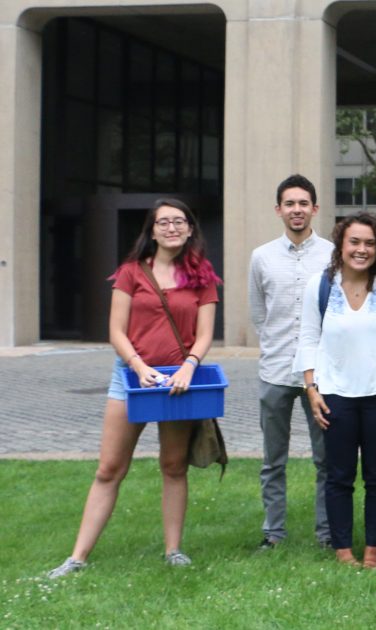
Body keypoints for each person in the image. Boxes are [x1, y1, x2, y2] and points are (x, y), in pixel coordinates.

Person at [48, 199, 221, 579]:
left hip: (179, 381)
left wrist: (189, 367)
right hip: (131, 378)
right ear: (152, 230)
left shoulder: (203, 277)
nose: (172, 228)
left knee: (174, 466)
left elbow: (206, 333)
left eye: (179, 221)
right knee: (109, 468)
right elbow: (116, 331)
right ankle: (76, 558)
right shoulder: (130, 273)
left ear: (191, 229)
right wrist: (139, 367)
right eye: (164, 222)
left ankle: (174, 551)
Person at [295, 212, 376, 569]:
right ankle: (343, 549)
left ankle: (373, 550)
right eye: (354, 242)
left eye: (369, 243)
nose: (361, 250)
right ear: (340, 246)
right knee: (339, 475)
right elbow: (307, 338)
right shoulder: (320, 285)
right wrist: (311, 388)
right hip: (335, 395)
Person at [249, 175, 335, 551]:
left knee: (327, 460)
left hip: (321, 375)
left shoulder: (333, 255)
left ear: (315, 208)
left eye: (304, 203)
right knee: (273, 461)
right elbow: (258, 313)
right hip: (275, 371)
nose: (297, 210)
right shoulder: (262, 256)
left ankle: (328, 533)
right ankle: (274, 533)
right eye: (290, 203)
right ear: (278, 210)